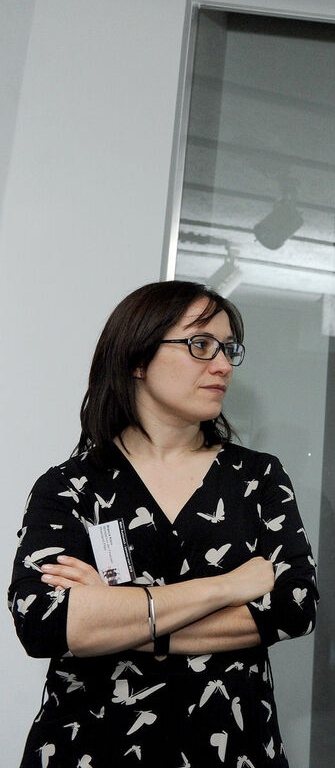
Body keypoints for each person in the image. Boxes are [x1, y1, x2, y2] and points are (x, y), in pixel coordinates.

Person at [8, 281, 317, 767]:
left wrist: (114, 613)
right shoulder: (70, 486)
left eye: (228, 349)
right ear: (136, 357)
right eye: (199, 345)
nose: (222, 365)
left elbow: (293, 607)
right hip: (91, 743)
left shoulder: (257, 477)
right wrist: (228, 586)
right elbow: (44, 623)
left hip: (231, 743)